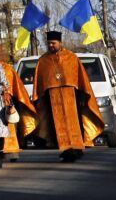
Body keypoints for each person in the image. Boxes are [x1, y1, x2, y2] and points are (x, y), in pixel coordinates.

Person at [32, 31, 103, 162]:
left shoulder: (72, 58)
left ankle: (77, 148)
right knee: (57, 127)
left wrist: (81, 96)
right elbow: (39, 84)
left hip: (72, 98)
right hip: (52, 100)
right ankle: (66, 150)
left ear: (60, 43)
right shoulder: (43, 61)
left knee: (74, 123)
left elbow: (81, 80)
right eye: (49, 44)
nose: (51, 46)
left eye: (53, 43)